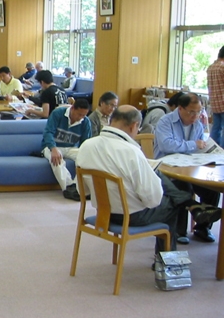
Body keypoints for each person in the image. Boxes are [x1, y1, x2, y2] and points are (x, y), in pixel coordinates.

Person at [76, 105, 221, 256]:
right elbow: (153, 200)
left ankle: (192, 205)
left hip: (103, 212)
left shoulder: (87, 145)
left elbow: (83, 190)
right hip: (131, 216)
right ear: (134, 126)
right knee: (172, 204)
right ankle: (165, 261)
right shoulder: (131, 152)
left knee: (155, 172)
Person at [154, 92, 220, 242]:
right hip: (166, 169)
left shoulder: (197, 123)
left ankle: (203, 226)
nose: (195, 116)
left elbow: (197, 148)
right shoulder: (165, 121)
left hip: (189, 166)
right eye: (191, 112)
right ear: (180, 108)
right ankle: (179, 231)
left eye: (199, 112)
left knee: (212, 187)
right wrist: (192, 145)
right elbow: (166, 145)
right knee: (182, 185)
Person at [40, 99, 91, 200]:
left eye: (83, 115)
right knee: (57, 160)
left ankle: (78, 187)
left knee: (88, 159)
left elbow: (85, 143)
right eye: (79, 114)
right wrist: (53, 148)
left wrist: (86, 154)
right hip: (52, 146)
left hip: (72, 147)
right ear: (72, 109)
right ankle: (68, 187)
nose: (80, 117)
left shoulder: (85, 122)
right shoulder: (58, 113)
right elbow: (48, 132)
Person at [207, 46, 224, 146]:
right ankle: (222, 153)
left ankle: (212, 149)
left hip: (215, 103)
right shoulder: (222, 67)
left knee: (216, 128)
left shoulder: (211, 67)